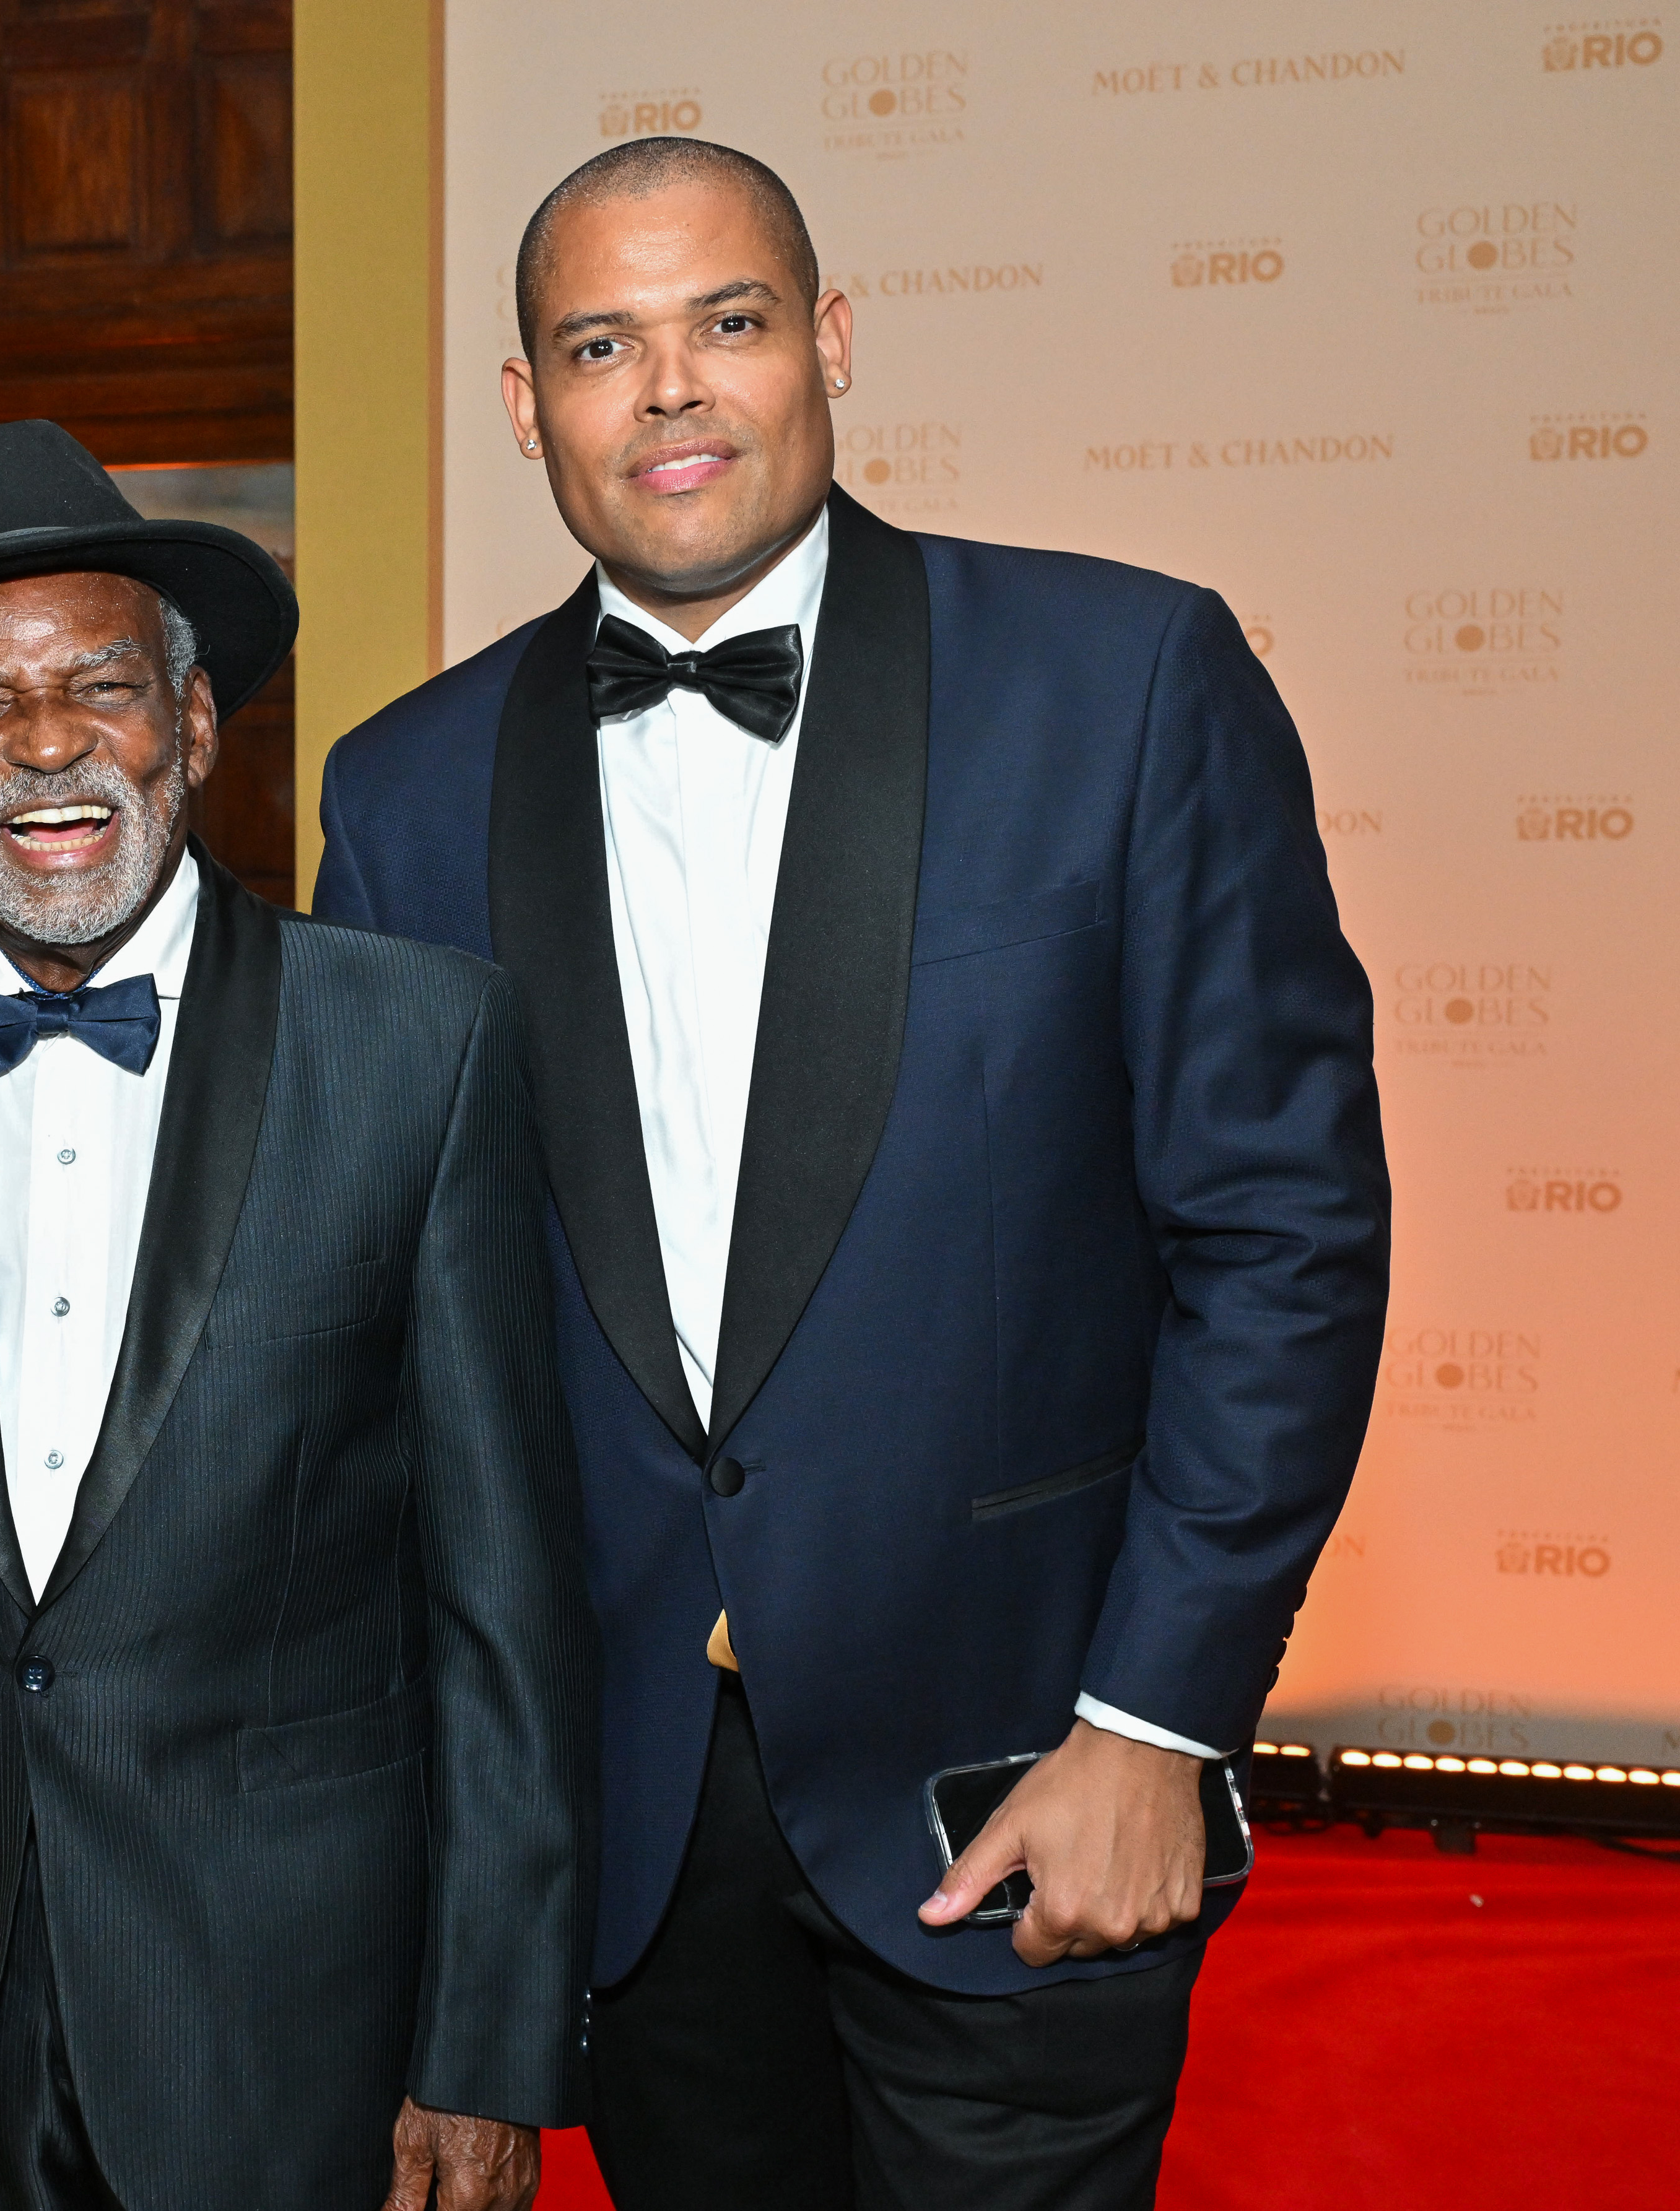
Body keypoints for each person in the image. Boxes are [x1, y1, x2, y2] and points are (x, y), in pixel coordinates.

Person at [314, 139, 1389, 2209]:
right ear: (526, 406)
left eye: (726, 321)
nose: (670, 388)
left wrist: (1156, 1721)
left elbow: (1285, 1237)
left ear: (828, 339)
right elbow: (400, 1359)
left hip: (1027, 1785)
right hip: (633, 1842)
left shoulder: (1124, 684)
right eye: (599, 346)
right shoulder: (407, 791)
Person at [0, 419, 594, 2211]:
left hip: (285, 2027)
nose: (47, 745)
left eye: (101, 685)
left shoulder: (419, 1045)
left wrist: (487, 2046)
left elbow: (506, 1603)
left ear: (193, 722)